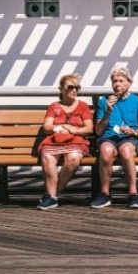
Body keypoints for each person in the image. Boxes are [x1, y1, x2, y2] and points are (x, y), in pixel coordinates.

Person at [91, 66, 138, 209]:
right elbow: (99, 131)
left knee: (125, 150)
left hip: (130, 138)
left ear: (129, 83)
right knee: (106, 150)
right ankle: (104, 194)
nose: (117, 84)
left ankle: (133, 194)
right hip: (109, 137)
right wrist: (108, 112)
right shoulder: (104, 101)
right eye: (114, 81)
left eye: (121, 81)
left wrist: (133, 132)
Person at [37, 73, 93, 210]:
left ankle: (52, 194)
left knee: (73, 158)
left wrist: (73, 129)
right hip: (55, 140)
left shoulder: (83, 106)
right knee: (48, 156)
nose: (74, 90)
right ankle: (52, 196)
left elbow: (89, 128)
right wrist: (60, 127)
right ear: (61, 89)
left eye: (77, 87)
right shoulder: (54, 106)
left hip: (76, 140)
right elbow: (47, 127)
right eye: (70, 87)